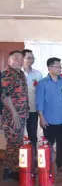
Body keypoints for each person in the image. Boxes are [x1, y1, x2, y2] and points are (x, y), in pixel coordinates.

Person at [36, 57, 62, 171]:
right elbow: (39, 102)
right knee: (48, 144)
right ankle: (47, 164)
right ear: (50, 68)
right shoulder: (42, 83)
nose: (60, 69)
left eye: (60, 67)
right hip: (49, 119)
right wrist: (41, 118)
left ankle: (61, 163)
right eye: (57, 66)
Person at [1, 51, 29, 181]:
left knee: (17, 143)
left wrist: (24, 112)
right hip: (12, 116)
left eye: (21, 59)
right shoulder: (7, 74)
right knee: (13, 143)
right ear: (9, 61)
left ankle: (11, 170)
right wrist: (15, 114)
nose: (19, 61)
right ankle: (10, 171)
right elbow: (5, 96)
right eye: (16, 59)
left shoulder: (21, 73)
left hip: (21, 115)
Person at [21, 49, 43, 168]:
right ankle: (20, 159)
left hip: (33, 110)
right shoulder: (18, 73)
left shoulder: (38, 74)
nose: (31, 60)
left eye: (32, 58)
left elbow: (41, 92)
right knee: (19, 135)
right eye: (28, 58)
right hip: (19, 111)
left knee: (32, 135)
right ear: (22, 59)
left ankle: (33, 158)